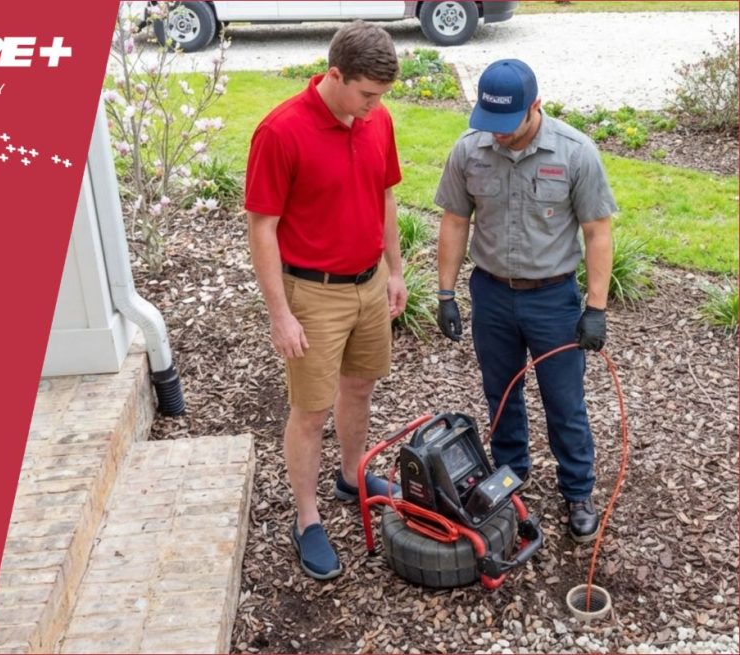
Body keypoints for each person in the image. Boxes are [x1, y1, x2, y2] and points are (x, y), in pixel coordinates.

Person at [244, 21, 407, 580]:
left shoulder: (377, 119)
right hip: (312, 293)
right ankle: (308, 519)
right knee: (310, 411)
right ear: (334, 75)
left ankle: (353, 475)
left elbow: (385, 194)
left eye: (380, 97)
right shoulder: (280, 132)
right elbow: (262, 228)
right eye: (365, 95)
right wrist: (280, 314)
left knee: (360, 386)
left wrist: (394, 270)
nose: (373, 108)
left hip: (367, 285)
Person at [433, 59, 616, 543]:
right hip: (491, 294)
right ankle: (512, 477)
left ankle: (577, 490)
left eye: (506, 126)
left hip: (552, 298)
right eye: (488, 125)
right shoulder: (470, 150)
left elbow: (598, 232)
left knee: (565, 400)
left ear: (535, 106)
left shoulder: (576, 153)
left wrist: (595, 308)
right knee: (501, 393)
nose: (497, 136)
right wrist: (446, 293)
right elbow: (455, 221)